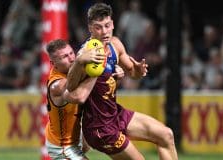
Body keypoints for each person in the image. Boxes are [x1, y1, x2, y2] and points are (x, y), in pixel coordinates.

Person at [67, 3, 178, 160]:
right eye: (98, 27)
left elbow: (132, 73)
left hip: (116, 115)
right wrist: (78, 62)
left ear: (112, 23)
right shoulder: (86, 54)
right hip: (100, 128)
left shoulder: (115, 44)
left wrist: (138, 71)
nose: (104, 31)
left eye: (107, 25)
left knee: (166, 135)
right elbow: (70, 87)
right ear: (90, 28)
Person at [44, 39, 105, 160]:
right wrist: (97, 69)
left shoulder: (74, 71)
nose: (71, 58)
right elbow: (79, 96)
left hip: (75, 136)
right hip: (62, 146)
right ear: (53, 63)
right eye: (64, 57)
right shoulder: (56, 85)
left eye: (71, 53)